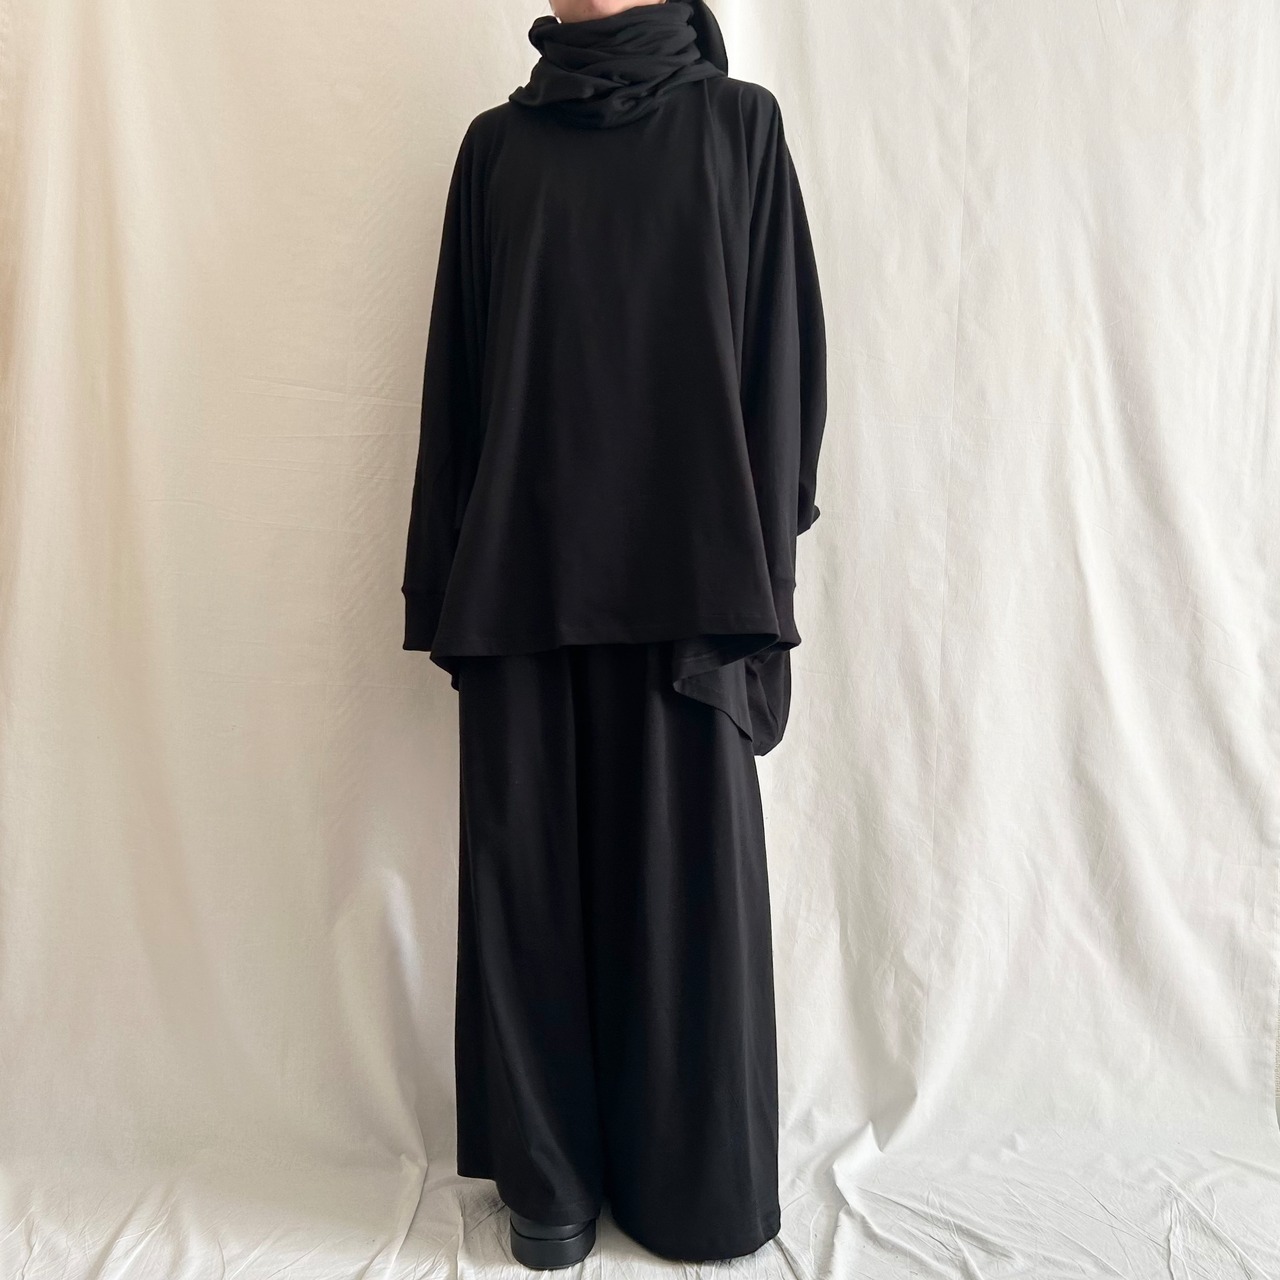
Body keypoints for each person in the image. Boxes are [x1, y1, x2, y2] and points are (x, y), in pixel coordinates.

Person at [401, 0, 827, 1267]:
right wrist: (443, 580)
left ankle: (693, 1182)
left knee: (684, 900)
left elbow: (781, 359)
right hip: (524, 576)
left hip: (688, 589)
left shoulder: (738, 128)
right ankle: (549, 1177)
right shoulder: (495, 150)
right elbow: (458, 372)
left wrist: (757, 585)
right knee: (527, 884)